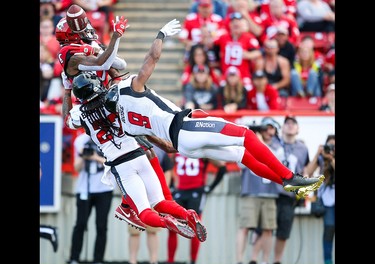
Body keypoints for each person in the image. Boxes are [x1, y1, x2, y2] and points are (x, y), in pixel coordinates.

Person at [70, 19, 324, 200]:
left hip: (183, 145)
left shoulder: (117, 118)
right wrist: (160, 35)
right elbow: (151, 60)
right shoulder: (127, 87)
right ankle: (290, 177)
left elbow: (163, 145)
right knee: (246, 135)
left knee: (242, 155)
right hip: (184, 129)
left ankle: (287, 183)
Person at [66, 19, 208, 243]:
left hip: (121, 164)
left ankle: (167, 222)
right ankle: (188, 214)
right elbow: (134, 121)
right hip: (140, 154)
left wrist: (66, 92)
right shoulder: (116, 99)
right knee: (161, 202)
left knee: (145, 212)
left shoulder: (79, 114)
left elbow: (67, 118)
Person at [56, 5, 176, 232]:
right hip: (98, 101)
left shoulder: (86, 45)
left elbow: (117, 64)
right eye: (81, 31)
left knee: (142, 146)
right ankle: (134, 204)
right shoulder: (69, 54)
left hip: (105, 96)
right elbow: (107, 64)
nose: (87, 31)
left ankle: (134, 203)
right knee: (133, 139)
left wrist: (99, 49)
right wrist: (113, 40)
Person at [234, 117, 282, 264]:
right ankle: (239, 261)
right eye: (264, 129)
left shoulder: (278, 147)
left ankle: (265, 261)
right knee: (245, 227)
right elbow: (239, 164)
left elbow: (277, 161)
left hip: (270, 193)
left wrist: (259, 143)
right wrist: (251, 142)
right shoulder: (249, 146)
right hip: (251, 192)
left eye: (270, 128)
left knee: (268, 228)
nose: (267, 132)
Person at [166, 153, 227, 264]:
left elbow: (222, 167)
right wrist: (173, 185)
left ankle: (193, 261)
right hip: (179, 192)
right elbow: (168, 165)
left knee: (195, 226)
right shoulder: (177, 148)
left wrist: (210, 187)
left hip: (196, 192)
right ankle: (170, 261)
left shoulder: (201, 151)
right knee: (172, 225)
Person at [271, 115, 312, 264]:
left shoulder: (303, 148)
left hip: (289, 195)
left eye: (293, 123)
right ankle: (260, 261)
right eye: (286, 123)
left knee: (284, 229)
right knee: (264, 228)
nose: (289, 125)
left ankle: (276, 261)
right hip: (271, 191)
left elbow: (305, 169)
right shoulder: (273, 143)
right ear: (282, 127)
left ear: (298, 128)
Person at [68, 131, 113, 264]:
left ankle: (98, 261)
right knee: (80, 224)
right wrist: (83, 156)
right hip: (84, 188)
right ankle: (74, 259)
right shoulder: (80, 140)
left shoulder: (109, 138)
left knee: (101, 226)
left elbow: (112, 162)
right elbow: (76, 167)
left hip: (104, 189)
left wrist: (95, 157)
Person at [127, 145, 174, 264]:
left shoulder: (158, 150)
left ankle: (153, 260)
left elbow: (167, 171)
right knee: (134, 231)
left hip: (153, 197)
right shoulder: (129, 148)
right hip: (136, 195)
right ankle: (132, 261)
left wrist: (160, 193)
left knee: (152, 231)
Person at [304, 134, 335, 264]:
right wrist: (317, 155)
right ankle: (328, 262)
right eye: (329, 146)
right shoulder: (321, 158)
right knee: (329, 228)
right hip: (327, 200)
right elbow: (307, 173)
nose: (331, 149)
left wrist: (332, 159)